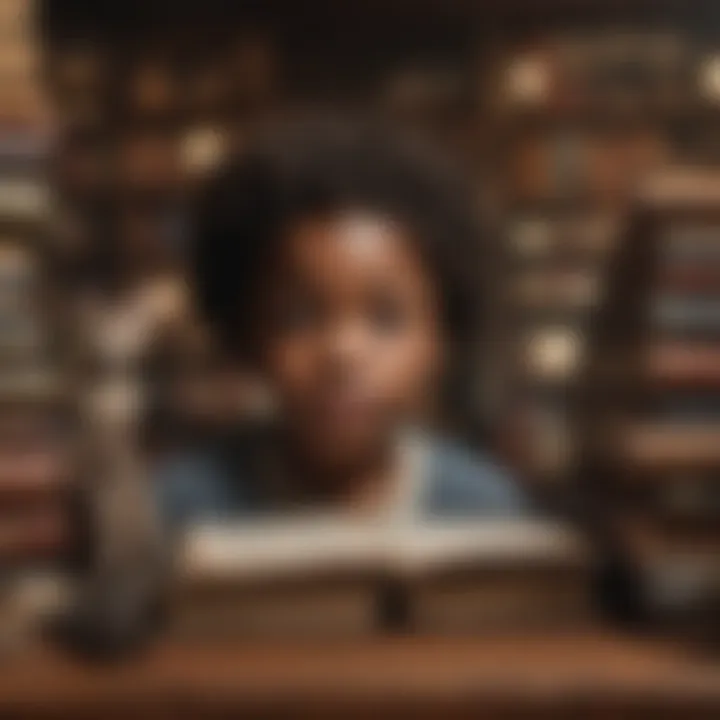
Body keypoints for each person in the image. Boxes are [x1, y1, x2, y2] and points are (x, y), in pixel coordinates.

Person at [155, 118, 528, 526]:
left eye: (386, 318)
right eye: (298, 316)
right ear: (247, 332)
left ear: (442, 335)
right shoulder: (184, 506)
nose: (342, 352)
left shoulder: (482, 508)